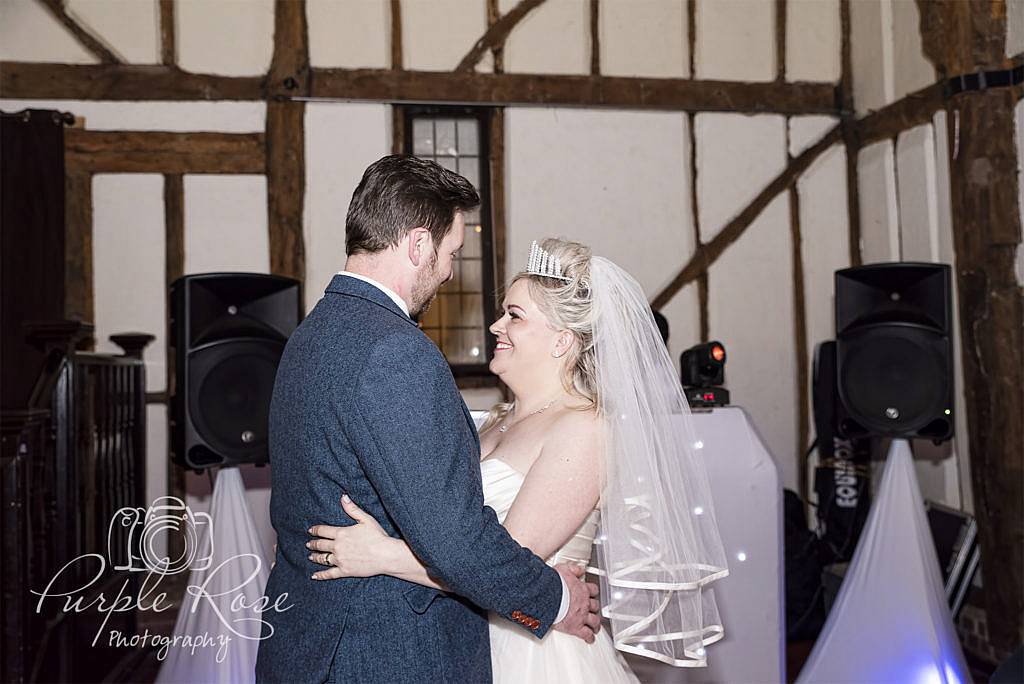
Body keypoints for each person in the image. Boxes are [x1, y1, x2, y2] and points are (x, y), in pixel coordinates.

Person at [306, 238, 730, 680]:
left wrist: (381, 555)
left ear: (562, 340)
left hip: (534, 655)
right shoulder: (493, 420)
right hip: (465, 641)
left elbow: (503, 563)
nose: (495, 327)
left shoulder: (584, 428)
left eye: (514, 315)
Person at [254, 158, 601, 684]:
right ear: (418, 245)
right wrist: (555, 600)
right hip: (381, 653)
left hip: (311, 644)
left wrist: (383, 552)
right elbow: (457, 542)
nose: (447, 271)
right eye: (451, 253)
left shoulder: (311, 335)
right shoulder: (395, 350)